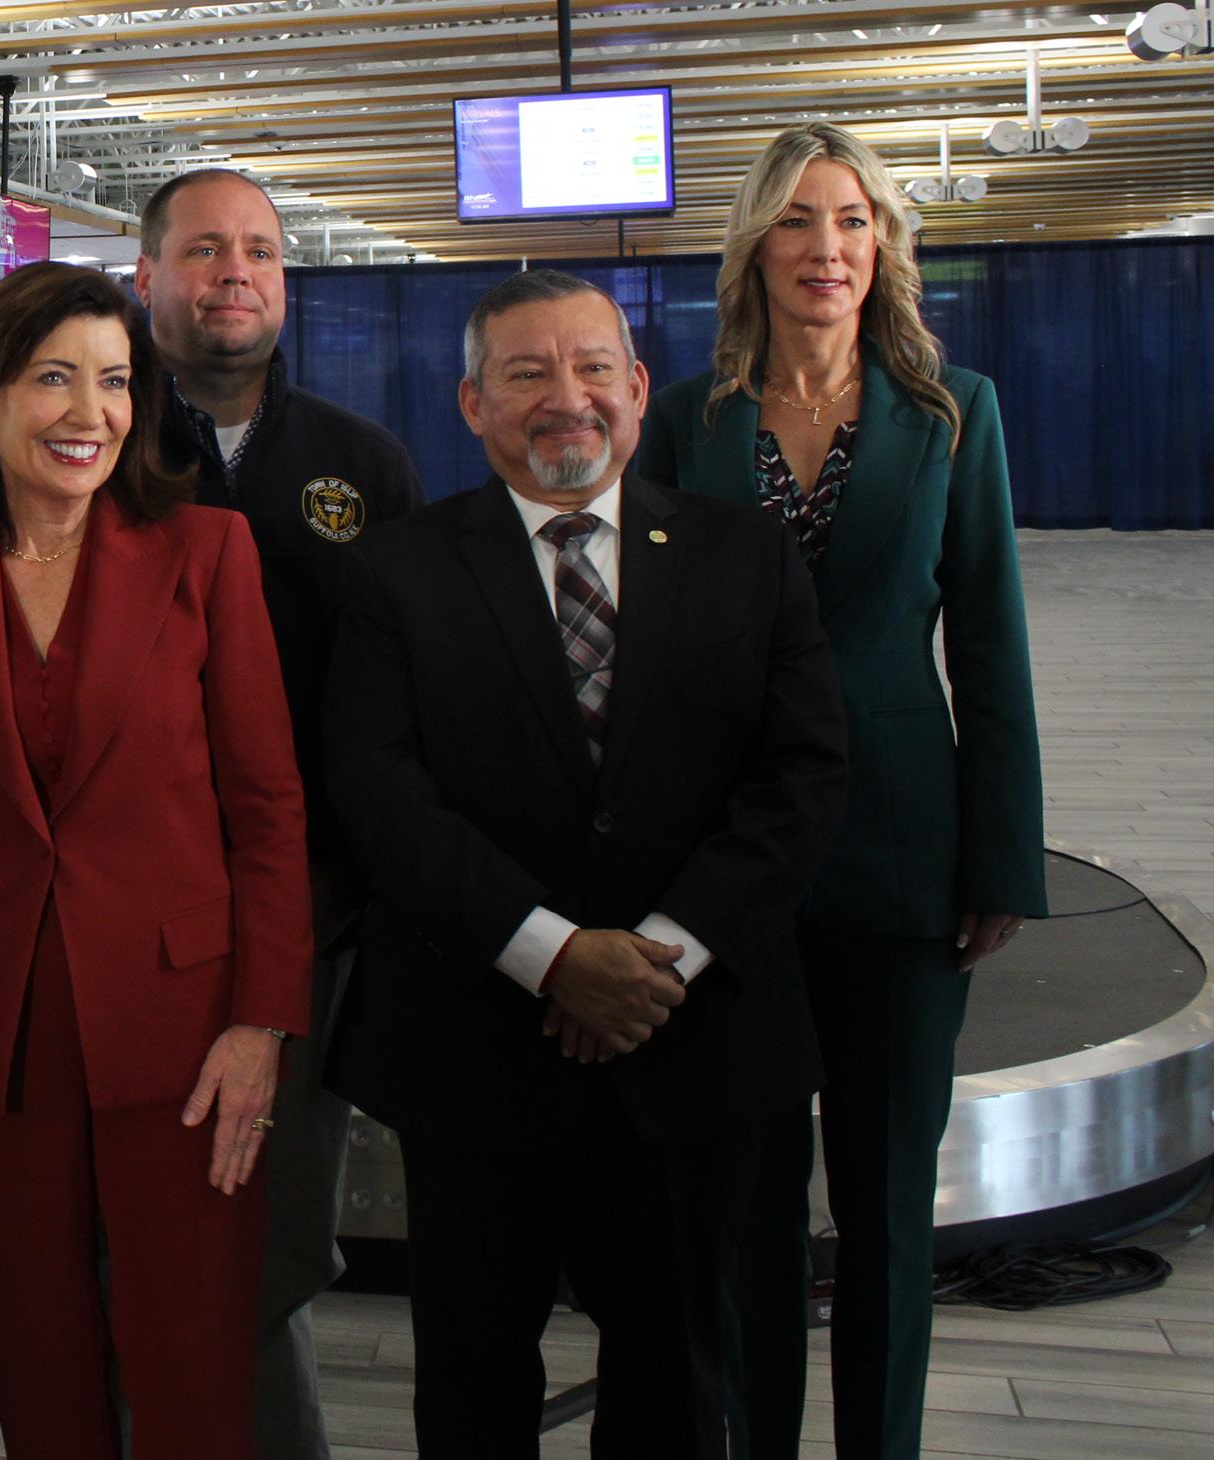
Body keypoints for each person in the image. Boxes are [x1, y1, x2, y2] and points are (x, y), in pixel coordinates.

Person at [319, 269, 847, 1457]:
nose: (567, 397)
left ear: (638, 387)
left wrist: (652, 961)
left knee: (674, 1377)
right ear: (471, 403)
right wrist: (551, 955)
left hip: (688, 1040)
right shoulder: (394, 573)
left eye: (592, 366)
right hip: (473, 1046)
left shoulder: (746, 555)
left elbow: (802, 775)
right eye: (526, 373)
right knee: (469, 1384)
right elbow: (378, 792)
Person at [0, 261, 314, 1458]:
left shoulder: (206, 552)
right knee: (37, 1368)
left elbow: (267, 808)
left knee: (190, 1370)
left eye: (113, 382)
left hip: (184, 1031)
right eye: (53, 378)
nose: (89, 412)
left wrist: (261, 1020)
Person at [635, 122, 1047, 1460]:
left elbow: (987, 646)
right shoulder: (685, 423)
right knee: (746, 1207)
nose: (827, 247)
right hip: (728, 862)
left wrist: (999, 857)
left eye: (853, 220)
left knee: (882, 1210)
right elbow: (645, 657)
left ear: (883, 247)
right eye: (799, 220)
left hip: (899, 850)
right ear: (753, 246)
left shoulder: (950, 413)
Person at [132, 166, 424, 1460]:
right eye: (203, 249)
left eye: (256, 249)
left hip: (304, 928)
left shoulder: (361, 466)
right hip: (118, 925)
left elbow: (407, 713)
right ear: (146, 277)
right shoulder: (90, 448)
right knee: (127, 1240)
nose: (232, 273)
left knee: (265, 1245)